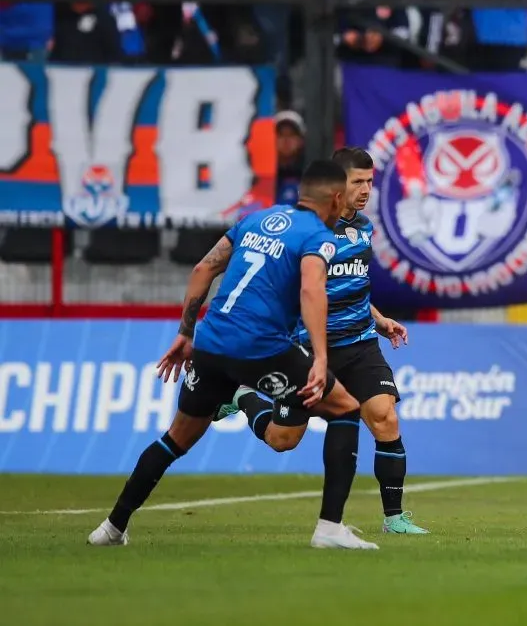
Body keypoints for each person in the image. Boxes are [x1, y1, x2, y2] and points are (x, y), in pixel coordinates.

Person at [87, 159, 360, 546]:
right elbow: (312, 289)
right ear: (335, 199)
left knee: (175, 439)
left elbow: (203, 268)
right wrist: (320, 357)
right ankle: (330, 529)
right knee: (345, 408)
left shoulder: (255, 220)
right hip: (260, 347)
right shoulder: (318, 236)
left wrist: (186, 332)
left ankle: (112, 527)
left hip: (210, 343)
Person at [226, 147, 430, 549]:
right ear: (337, 185)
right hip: (310, 349)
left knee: (384, 417)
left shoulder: (365, 228)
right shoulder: (306, 229)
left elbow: (352, 286)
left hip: (359, 344)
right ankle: (245, 396)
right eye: (358, 182)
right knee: (284, 440)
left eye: (370, 182)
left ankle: (395, 518)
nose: (366, 190)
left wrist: (380, 319)